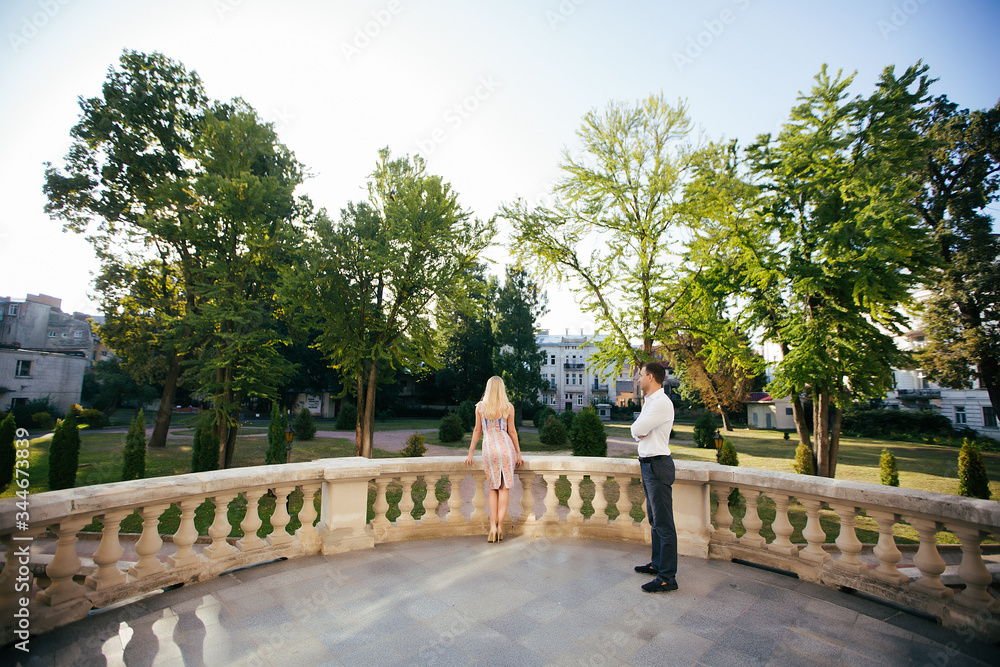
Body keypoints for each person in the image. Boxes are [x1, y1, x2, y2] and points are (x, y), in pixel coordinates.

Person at [630, 361, 678, 592]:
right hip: (649, 465)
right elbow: (638, 429)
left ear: (650, 377)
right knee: (655, 520)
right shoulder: (651, 402)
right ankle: (658, 564)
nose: (638, 380)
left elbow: (636, 430)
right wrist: (640, 430)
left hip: (658, 466)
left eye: (641, 376)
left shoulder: (661, 403)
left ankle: (667, 577)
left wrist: (640, 430)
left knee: (664, 523)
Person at [465, 376, 524, 542]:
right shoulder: (508, 407)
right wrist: (518, 453)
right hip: (505, 447)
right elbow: (512, 432)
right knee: (504, 488)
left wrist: (470, 453)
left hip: (489, 448)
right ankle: (499, 526)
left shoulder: (480, 407)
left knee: (493, 488)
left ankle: (492, 526)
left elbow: (477, 431)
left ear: (488, 388)